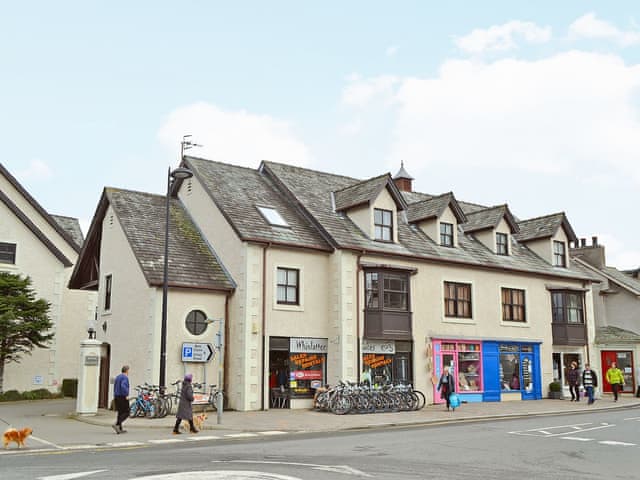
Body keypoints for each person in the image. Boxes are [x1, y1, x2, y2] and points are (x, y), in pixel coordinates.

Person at [113, 365, 130, 434]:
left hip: (117, 396)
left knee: (120, 412)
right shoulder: (125, 377)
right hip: (122, 396)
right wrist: (126, 394)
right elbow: (123, 386)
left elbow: (115, 387)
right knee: (127, 412)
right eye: (128, 370)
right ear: (127, 370)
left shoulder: (118, 377)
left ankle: (119, 428)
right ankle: (117, 424)